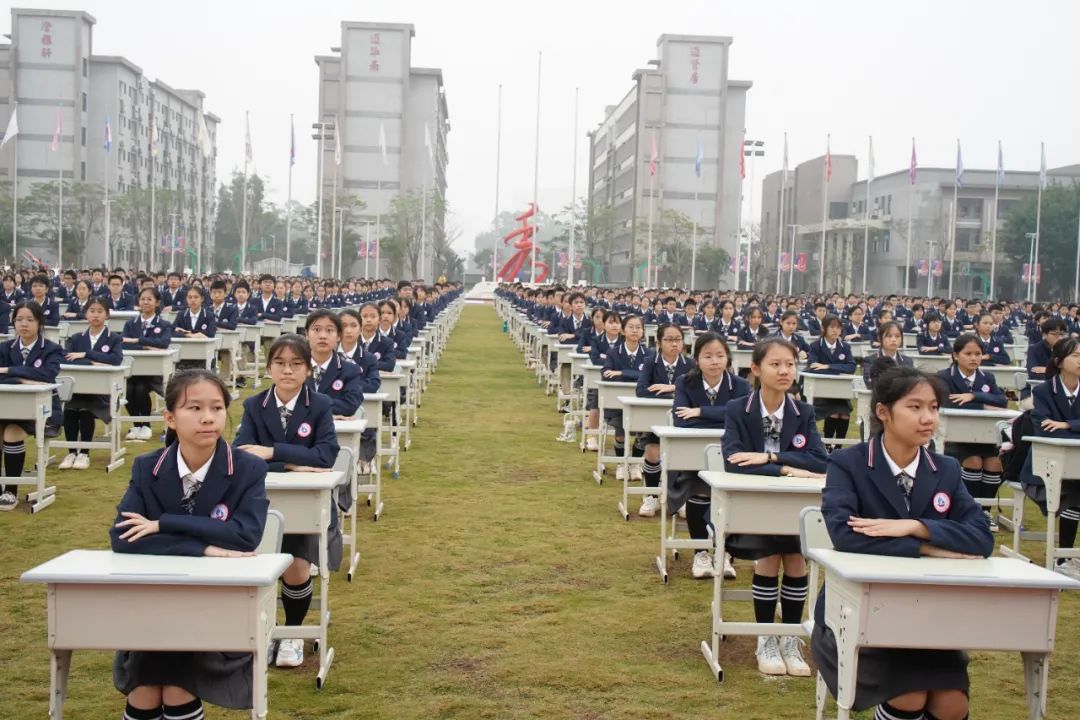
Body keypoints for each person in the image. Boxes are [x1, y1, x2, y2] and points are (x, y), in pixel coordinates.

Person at [813, 365, 992, 720]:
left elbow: (981, 538)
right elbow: (845, 535)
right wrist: (927, 548)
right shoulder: (848, 463)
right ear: (883, 412)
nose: (928, 418)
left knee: (952, 704)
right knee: (909, 696)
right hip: (859, 609)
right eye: (915, 407)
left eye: (934, 408)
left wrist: (916, 527)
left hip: (929, 615)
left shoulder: (946, 469)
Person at [110, 369, 269, 718]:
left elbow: (245, 536)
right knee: (147, 687)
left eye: (217, 407)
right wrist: (203, 547)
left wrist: (163, 525)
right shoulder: (147, 467)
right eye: (194, 408)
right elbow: (123, 538)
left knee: (168, 680)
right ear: (170, 418)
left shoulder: (248, 470)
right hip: (155, 604)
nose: (208, 418)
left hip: (219, 607)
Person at [721, 337, 827, 677]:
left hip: (796, 504)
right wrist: (786, 468)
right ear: (755, 369)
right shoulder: (739, 409)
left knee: (796, 560)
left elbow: (819, 461)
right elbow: (734, 461)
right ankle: (766, 636)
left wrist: (769, 457)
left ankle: (791, 639)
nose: (784, 371)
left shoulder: (803, 411)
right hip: (754, 505)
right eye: (775, 364)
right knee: (769, 557)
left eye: (790, 364)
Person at [233, 335, 340, 669]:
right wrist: (292, 462)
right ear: (269, 368)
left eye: (296, 364)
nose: (287, 370)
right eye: (279, 363)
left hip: (307, 503)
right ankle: (263, 628)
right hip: (260, 501)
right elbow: (242, 454)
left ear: (308, 370)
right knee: (252, 561)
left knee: (295, 563)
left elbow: (326, 455)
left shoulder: (319, 405)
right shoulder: (254, 405)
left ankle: (293, 632)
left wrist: (273, 452)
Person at [669, 331, 750, 578]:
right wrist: (724, 418)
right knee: (698, 487)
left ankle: (724, 552)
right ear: (697, 360)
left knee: (731, 495)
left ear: (728, 358)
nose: (714, 361)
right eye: (708, 356)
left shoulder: (740, 385)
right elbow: (681, 420)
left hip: (731, 455)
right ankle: (700, 554)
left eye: (720, 356)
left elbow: (742, 419)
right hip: (694, 456)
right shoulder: (686, 382)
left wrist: (700, 411)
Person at [936, 333, 1008, 525]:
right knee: (974, 462)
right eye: (968, 353)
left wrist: (974, 396)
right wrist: (984, 405)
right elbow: (947, 403)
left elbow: (1002, 401)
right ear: (956, 355)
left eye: (978, 354)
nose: (974, 358)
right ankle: (970, 510)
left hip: (985, 437)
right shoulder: (944, 377)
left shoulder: (987, 377)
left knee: (994, 463)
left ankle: (985, 511)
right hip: (956, 437)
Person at [1024, 336, 1080, 579]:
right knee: (1074, 493)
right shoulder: (1044, 390)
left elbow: (1057, 426)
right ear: (1059, 362)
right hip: (1046, 463)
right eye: (1076, 356)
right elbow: (1043, 427)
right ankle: (1065, 557)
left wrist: (1066, 424)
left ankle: (1068, 557)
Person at [0, 301, 63, 510]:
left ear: (39, 322)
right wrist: (22, 380)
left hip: (42, 411)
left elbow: (47, 375)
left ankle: (11, 490)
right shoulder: (4, 348)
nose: (23, 324)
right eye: (19, 320)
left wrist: (9, 371)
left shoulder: (52, 349)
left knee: (12, 431)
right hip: (6, 407)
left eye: (29, 319)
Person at [633, 323, 691, 518]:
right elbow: (641, 390)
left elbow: (694, 393)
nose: (674, 344)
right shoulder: (651, 362)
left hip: (683, 420)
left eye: (678, 339)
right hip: (655, 421)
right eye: (669, 340)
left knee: (684, 456)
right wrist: (674, 394)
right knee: (652, 452)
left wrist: (673, 388)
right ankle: (651, 495)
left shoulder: (690, 364)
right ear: (659, 342)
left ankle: (680, 497)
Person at [58, 297, 124, 470]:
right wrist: (93, 362)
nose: (96, 315)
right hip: (78, 389)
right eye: (92, 311)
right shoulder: (76, 337)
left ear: (107, 315)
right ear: (86, 314)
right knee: (70, 410)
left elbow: (116, 360)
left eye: (100, 311)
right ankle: (72, 451)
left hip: (102, 393)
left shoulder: (114, 338)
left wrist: (86, 354)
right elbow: (68, 360)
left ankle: (84, 453)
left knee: (86, 410)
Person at [123, 288, 174, 441]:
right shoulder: (131, 324)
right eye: (142, 299)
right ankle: (136, 424)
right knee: (127, 390)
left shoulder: (164, 324)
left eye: (149, 299)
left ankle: (146, 425)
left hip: (154, 372)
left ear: (157, 303)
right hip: (133, 370)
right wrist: (147, 346)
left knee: (140, 390)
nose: (145, 302)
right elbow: (125, 344)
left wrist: (139, 341)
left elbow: (164, 343)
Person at [601, 313, 646, 482]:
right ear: (623, 330)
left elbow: (648, 376)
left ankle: (635, 464)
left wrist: (622, 373)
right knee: (620, 432)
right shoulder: (613, 352)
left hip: (642, 401)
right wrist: (636, 375)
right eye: (631, 327)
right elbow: (606, 374)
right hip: (617, 401)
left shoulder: (648, 353)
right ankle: (621, 463)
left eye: (638, 327)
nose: (635, 331)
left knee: (643, 433)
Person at [806, 314, 856, 447]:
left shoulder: (845, 347)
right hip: (822, 391)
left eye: (838, 328)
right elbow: (813, 366)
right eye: (832, 327)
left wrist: (828, 366)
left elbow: (851, 367)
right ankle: (828, 444)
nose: (835, 330)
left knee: (844, 414)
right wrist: (839, 369)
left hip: (841, 391)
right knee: (834, 413)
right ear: (824, 328)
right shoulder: (815, 345)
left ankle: (839, 446)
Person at [861, 321, 914, 388]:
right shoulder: (870, 360)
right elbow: (870, 384)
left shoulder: (908, 361)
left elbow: (911, 384)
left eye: (897, 336)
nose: (893, 339)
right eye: (889, 336)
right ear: (880, 338)